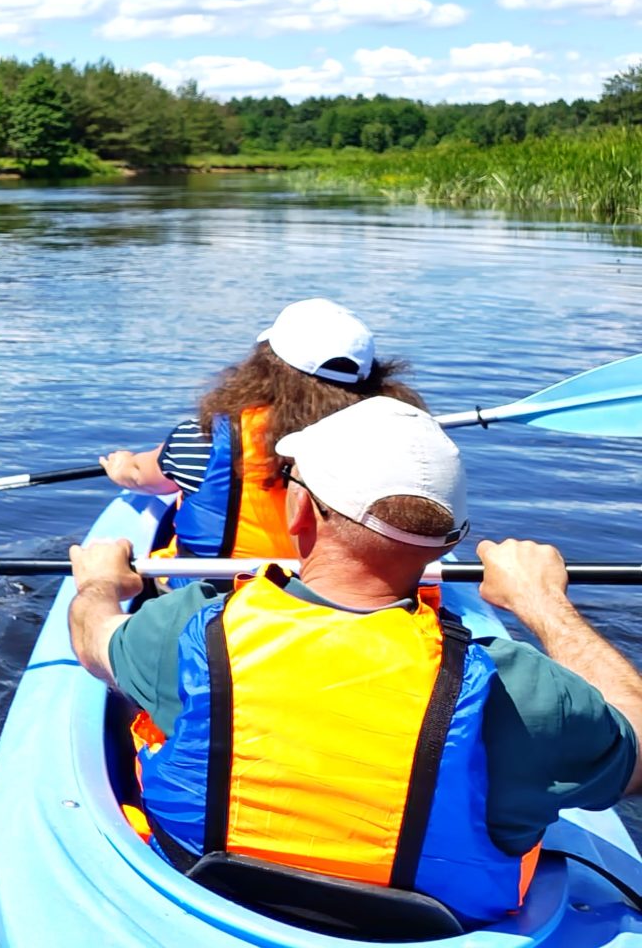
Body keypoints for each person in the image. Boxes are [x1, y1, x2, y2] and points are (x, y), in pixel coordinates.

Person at [69, 398, 642, 928]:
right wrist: (544, 604)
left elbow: (93, 642)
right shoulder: (520, 691)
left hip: (202, 906)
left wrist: (98, 584)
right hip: (439, 931)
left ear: (299, 513)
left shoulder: (188, 627)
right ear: (447, 542)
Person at [99, 298, 425, 561]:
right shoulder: (396, 445)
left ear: (263, 366)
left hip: (217, 606)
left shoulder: (203, 438)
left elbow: (142, 477)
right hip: (344, 602)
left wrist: (120, 466)